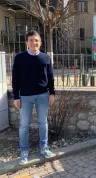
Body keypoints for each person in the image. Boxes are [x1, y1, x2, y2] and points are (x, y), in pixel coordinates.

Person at [12, 30, 55, 165]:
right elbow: (15, 78)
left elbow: (51, 77)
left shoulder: (46, 58)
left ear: (40, 43)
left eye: (36, 40)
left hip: (43, 95)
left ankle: (44, 147)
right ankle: (24, 152)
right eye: (31, 40)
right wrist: (16, 96)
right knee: (24, 125)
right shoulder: (19, 58)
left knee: (43, 123)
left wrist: (52, 93)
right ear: (27, 43)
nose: (33, 43)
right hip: (25, 97)